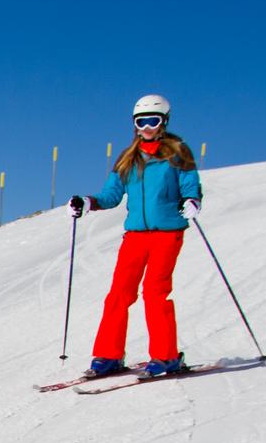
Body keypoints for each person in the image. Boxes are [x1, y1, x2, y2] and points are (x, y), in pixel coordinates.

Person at [69, 94, 204, 378]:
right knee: (119, 293)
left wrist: (192, 201)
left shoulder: (178, 153)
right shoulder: (128, 157)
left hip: (167, 232)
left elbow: (191, 184)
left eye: (152, 121)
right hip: (136, 235)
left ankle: (166, 357)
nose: (147, 127)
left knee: (155, 292)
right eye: (140, 122)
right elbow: (111, 195)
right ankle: (108, 355)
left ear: (164, 121)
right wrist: (88, 201)